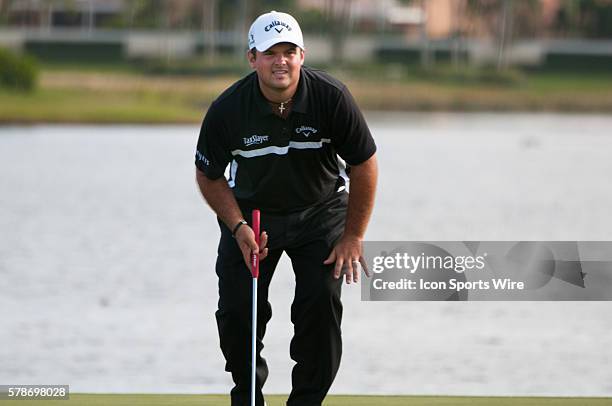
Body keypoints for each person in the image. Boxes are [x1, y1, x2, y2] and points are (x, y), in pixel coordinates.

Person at [194, 10, 377, 406]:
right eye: (270, 52)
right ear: (252, 59)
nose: (281, 61)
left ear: (302, 55)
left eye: (289, 51)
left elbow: (364, 163)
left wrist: (353, 236)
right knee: (239, 311)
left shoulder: (332, 98)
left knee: (320, 305)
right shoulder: (228, 108)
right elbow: (208, 175)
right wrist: (238, 226)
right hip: (253, 218)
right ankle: (248, 397)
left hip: (321, 212)